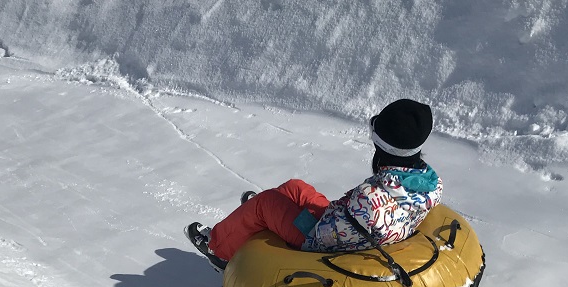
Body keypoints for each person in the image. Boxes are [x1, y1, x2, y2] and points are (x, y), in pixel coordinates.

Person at [186, 98, 442, 271]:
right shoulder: (428, 184)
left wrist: (297, 217)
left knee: (265, 203)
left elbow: (330, 232)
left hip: (321, 239)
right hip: (353, 226)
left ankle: (217, 247)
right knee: (295, 187)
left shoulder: (370, 197)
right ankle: (260, 214)